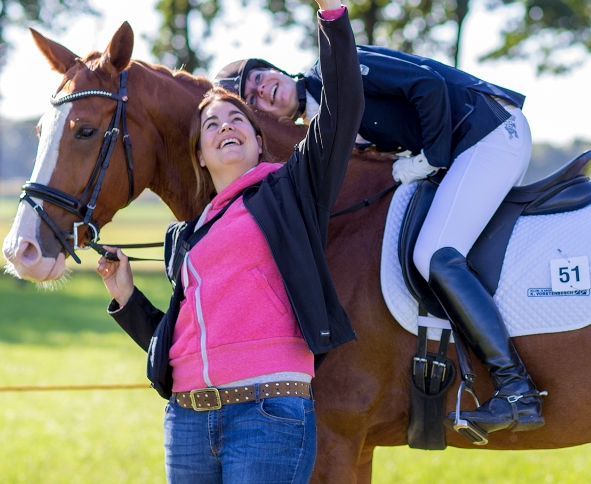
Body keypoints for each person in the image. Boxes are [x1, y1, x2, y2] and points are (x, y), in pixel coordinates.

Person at [96, 0, 363, 484]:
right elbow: (173, 344)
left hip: (269, 413)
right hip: (188, 418)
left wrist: (329, 7)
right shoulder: (186, 236)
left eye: (237, 118)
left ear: (259, 140)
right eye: (212, 124)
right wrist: (125, 296)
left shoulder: (292, 192)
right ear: (199, 153)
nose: (225, 127)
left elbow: (342, 113)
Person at [213, 24, 544, 435]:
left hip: (490, 129)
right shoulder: (324, 127)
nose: (263, 90)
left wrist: (430, 158)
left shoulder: (333, 69)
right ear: (262, 116)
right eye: (254, 97)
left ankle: (517, 391)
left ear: (273, 69)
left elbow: (427, 84)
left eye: (259, 78)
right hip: (468, 145)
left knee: (434, 254)